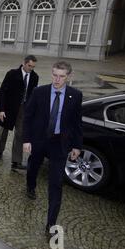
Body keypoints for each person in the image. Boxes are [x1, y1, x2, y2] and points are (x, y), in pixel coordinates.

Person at [23, 61, 82, 238]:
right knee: (33, 167)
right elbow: (28, 116)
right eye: (55, 75)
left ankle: (51, 223)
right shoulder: (39, 92)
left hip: (59, 143)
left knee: (56, 183)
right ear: (51, 73)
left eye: (61, 76)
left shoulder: (75, 95)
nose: (57, 79)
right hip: (39, 140)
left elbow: (77, 122)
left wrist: (77, 145)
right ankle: (30, 186)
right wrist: (26, 140)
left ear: (68, 77)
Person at [0, 55, 38, 171]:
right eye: (29, 66)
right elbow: (3, 92)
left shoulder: (34, 77)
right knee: (3, 131)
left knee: (20, 134)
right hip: (9, 108)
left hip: (24, 109)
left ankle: (16, 161)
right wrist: (1, 110)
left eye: (33, 67)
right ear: (23, 63)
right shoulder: (12, 74)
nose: (31, 69)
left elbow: (33, 95)